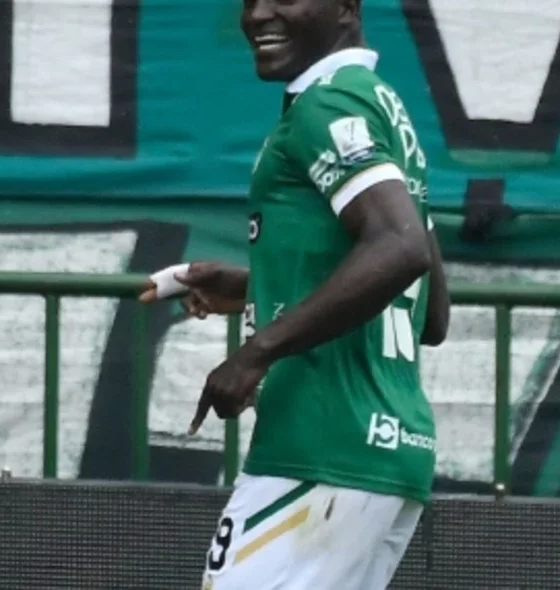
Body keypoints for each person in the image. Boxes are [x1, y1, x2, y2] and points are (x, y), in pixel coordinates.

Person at [139, 0, 450, 585]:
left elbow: (400, 248)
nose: (258, 14)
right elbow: (429, 314)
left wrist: (256, 352)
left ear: (347, 7)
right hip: (392, 451)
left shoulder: (327, 104)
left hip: (320, 449)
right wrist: (260, 285)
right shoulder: (384, 106)